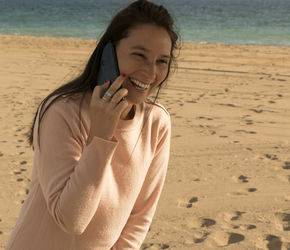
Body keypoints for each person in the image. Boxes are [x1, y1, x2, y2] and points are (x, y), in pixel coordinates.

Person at [5, 0, 179, 249]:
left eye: (162, 61)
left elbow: (139, 218)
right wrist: (100, 136)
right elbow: (72, 220)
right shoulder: (61, 111)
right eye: (139, 55)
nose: (151, 73)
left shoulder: (157, 122)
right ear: (109, 53)